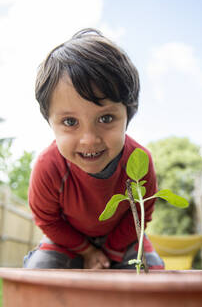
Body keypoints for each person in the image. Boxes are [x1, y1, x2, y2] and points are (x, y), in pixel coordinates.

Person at [24, 28, 164, 270]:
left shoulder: (139, 161)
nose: (89, 140)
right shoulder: (49, 166)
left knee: (151, 269)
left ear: (127, 115)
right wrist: (87, 252)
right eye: (70, 122)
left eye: (106, 118)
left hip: (122, 239)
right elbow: (47, 219)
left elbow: (139, 215)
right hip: (68, 240)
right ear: (50, 122)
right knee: (40, 268)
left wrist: (107, 253)